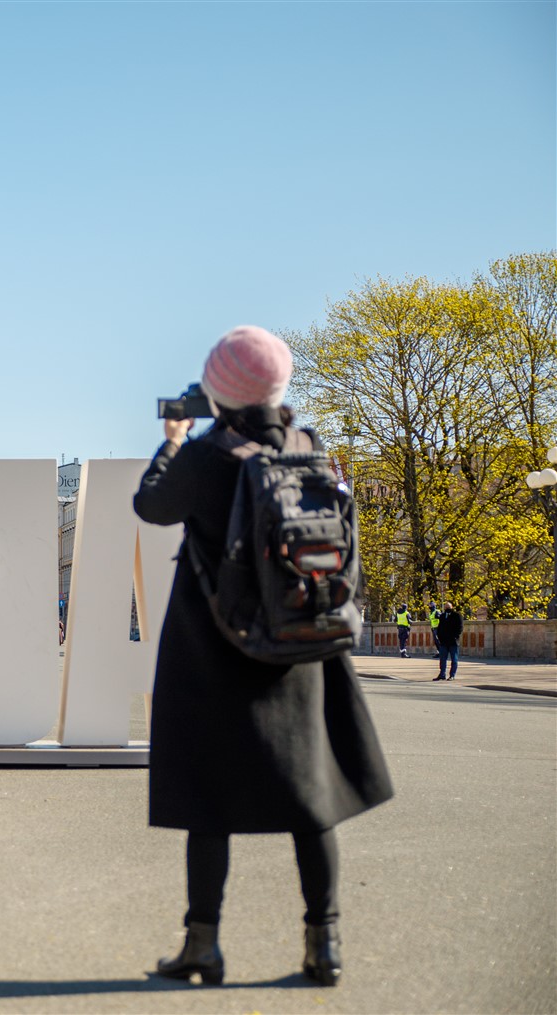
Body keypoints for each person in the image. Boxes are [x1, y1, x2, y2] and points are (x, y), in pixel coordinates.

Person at [133, 326, 394, 987]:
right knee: (311, 799)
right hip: (301, 641)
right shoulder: (308, 448)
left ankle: (203, 945)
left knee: (208, 802)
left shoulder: (205, 455)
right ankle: (323, 945)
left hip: (216, 647)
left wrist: (172, 441)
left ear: (217, 390)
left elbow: (152, 505)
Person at [434, 602, 463, 681]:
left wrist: (455, 637)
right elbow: (440, 627)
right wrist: (439, 637)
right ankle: (442, 674)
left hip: (453, 642)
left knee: (454, 659)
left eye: (448, 607)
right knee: (442, 659)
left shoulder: (457, 615)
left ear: (452, 607)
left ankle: (452, 675)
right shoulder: (442, 616)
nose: (447, 608)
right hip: (444, 642)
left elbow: (460, 627)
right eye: (446, 607)